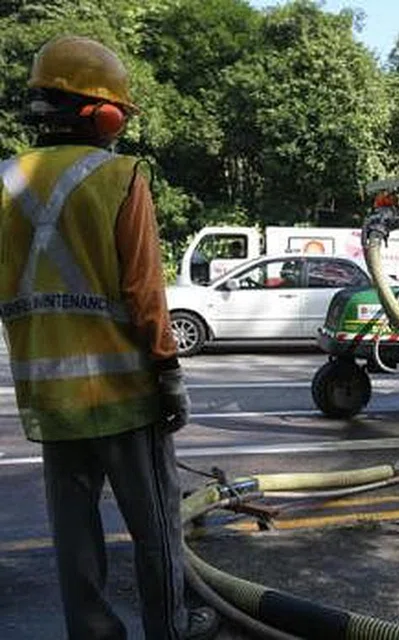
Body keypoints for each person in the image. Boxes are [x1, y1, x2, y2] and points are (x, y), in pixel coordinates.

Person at [0, 36, 218, 639]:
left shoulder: (6, 181)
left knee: (73, 535)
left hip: (49, 399)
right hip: (124, 393)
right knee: (156, 529)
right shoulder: (120, 177)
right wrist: (169, 375)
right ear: (99, 113)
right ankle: (168, 629)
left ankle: (92, 633)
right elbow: (146, 293)